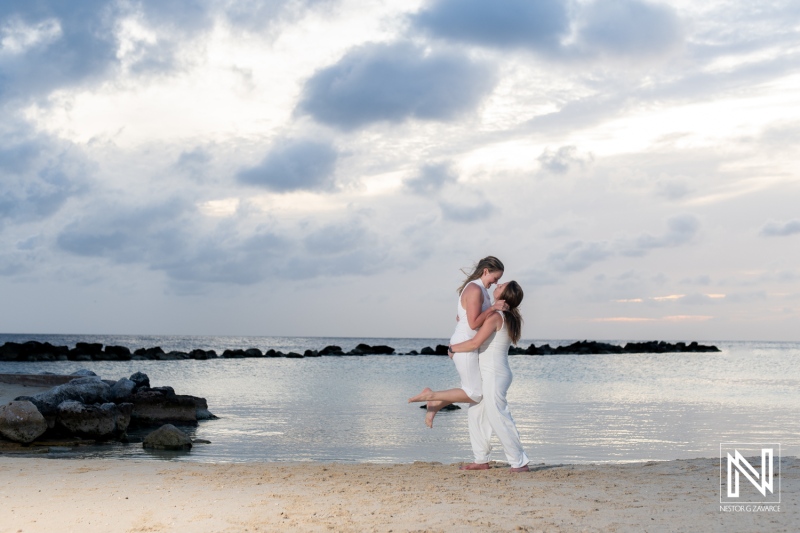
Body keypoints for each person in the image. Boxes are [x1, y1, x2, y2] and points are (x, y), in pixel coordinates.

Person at [412, 281, 530, 473]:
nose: (497, 285)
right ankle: (481, 459)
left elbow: (474, 343)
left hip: (495, 374)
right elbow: (474, 324)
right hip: (492, 373)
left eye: (501, 286)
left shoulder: (497, 316)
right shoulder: (501, 316)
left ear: (504, 296)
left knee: (498, 417)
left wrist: (452, 348)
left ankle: (520, 462)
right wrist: (464, 320)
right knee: (476, 414)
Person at [408, 256, 507, 428]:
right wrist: (492, 308)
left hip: (467, 344)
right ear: (486, 271)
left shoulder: (480, 290)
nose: (496, 282)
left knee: (476, 392)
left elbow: (466, 318)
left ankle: (436, 404)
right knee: (475, 394)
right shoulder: (475, 289)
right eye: (495, 278)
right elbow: (474, 323)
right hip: (465, 345)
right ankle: (431, 395)